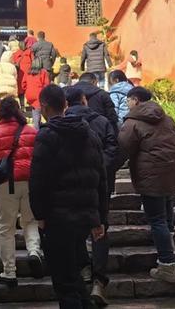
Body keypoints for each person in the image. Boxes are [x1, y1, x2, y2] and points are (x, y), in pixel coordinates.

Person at [29, 85, 107, 309]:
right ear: (65, 104)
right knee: (73, 274)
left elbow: (38, 180)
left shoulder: (47, 135)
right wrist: (100, 218)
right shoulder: (90, 134)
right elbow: (101, 180)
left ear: (44, 106)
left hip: (57, 217)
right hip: (84, 217)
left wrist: (39, 215)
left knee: (64, 280)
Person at [118, 87, 175, 283]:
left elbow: (121, 149)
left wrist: (107, 171)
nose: (127, 104)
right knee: (167, 211)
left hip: (150, 177)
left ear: (135, 100)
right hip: (172, 173)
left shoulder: (132, 123)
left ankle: (166, 265)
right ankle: (169, 246)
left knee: (158, 220)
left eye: (128, 100)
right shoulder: (167, 119)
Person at [65, 87, 121, 306]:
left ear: (67, 103)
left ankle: (84, 268)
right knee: (100, 230)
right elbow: (113, 148)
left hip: (71, 186)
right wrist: (99, 169)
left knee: (75, 228)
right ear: (84, 100)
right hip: (99, 184)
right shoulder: (102, 122)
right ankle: (99, 280)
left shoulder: (60, 124)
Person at [0, 97, 43, 286]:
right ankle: (34, 251)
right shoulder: (32, 132)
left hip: (6, 184)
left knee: (6, 228)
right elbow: (40, 157)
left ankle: (9, 272)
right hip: (31, 182)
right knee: (30, 221)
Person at [23, 58, 50, 130]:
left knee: (35, 110)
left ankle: (37, 128)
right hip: (39, 94)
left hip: (29, 94)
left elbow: (23, 84)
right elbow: (46, 84)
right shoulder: (43, 72)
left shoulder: (28, 72)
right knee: (41, 111)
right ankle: (39, 129)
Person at [13, 41, 33, 106]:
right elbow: (33, 61)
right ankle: (29, 103)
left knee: (21, 90)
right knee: (28, 88)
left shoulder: (16, 53)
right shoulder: (30, 52)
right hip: (28, 74)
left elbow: (14, 63)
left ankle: (22, 105)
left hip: (20, 74)